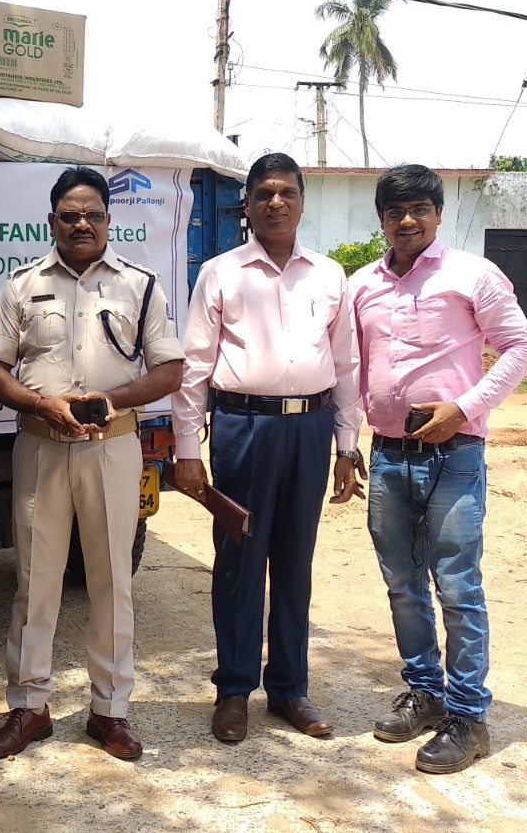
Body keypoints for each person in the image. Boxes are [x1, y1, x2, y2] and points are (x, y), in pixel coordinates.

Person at [0, 166, 185, 762]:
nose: (81, 224)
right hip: (41, 446)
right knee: (34, 580)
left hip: (112, 447)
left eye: (92, 214)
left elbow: (169, 368)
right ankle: (29, 706)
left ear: (107, 221)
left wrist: (110, 402)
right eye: (69, 215)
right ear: (52, 222)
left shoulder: (139, 285)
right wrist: (44, 403)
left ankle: (110, 711)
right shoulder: (21, 286)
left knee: (111, 582)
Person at [346, 164, 527, 774]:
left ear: (437, 213)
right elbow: (352, 370)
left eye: (420, 209)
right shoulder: (360, 286)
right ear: (380, 219)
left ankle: (467, 716)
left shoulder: (472, 275)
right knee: (402, 583)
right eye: (395, 211)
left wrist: (465, 408)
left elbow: (521, 348)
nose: (408, 221)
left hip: (454, 455)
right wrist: (346, 446)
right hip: (388, 455)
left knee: (457, 586)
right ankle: (424, 692)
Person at [171, 152, 362, 746]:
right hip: (242, 429)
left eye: (286, 192)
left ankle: (288, 689)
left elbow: (348, 365)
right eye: (264, 194)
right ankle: (233, 691)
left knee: (294, 562)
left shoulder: (330, 276)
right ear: (247, 206)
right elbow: (195, 366)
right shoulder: (221, 272)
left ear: (302, 201)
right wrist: (186, 447)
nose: (275, 202)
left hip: (310, 428)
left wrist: (346, 447)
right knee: (239, 562)